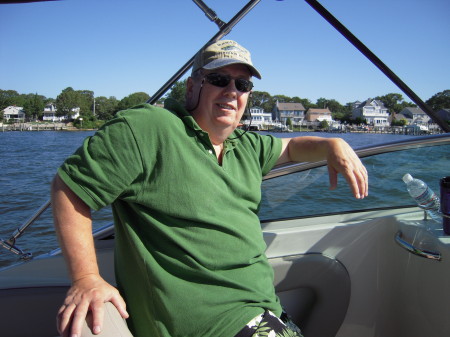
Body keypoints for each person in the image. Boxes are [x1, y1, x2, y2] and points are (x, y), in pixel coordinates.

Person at [52, 39, 368, 337]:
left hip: (264, 311)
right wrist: (86, 278)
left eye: (242, 85)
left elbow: (294, 147)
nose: (232, 91)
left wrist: (332, 143)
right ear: (192, 87)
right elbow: (70, 188)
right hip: (210, 325)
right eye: (220, 79)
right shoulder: (150, 128)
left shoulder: (246, 145)